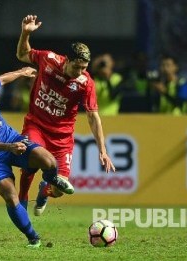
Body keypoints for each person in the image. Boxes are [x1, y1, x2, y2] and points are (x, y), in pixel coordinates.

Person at [0, 66, 74, 248]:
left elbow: (1, 79)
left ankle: (47, 183)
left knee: (48, 161)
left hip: (12, 139)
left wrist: (21, 73)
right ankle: (33, 237)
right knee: (10, 195)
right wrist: (9, 148)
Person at [16, 14, 116, 216]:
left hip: (62, 138)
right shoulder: (48, 59)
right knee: (31, 161)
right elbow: (22, 54)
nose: (80, 71)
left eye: (84, 68)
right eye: (77, 66)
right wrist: (25, 33)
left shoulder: (85, 83)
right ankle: (21, 200)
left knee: (61, 189)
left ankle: (45, 190)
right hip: (37, 125)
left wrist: (103, 151)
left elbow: (92, 116)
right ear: (67, 59)